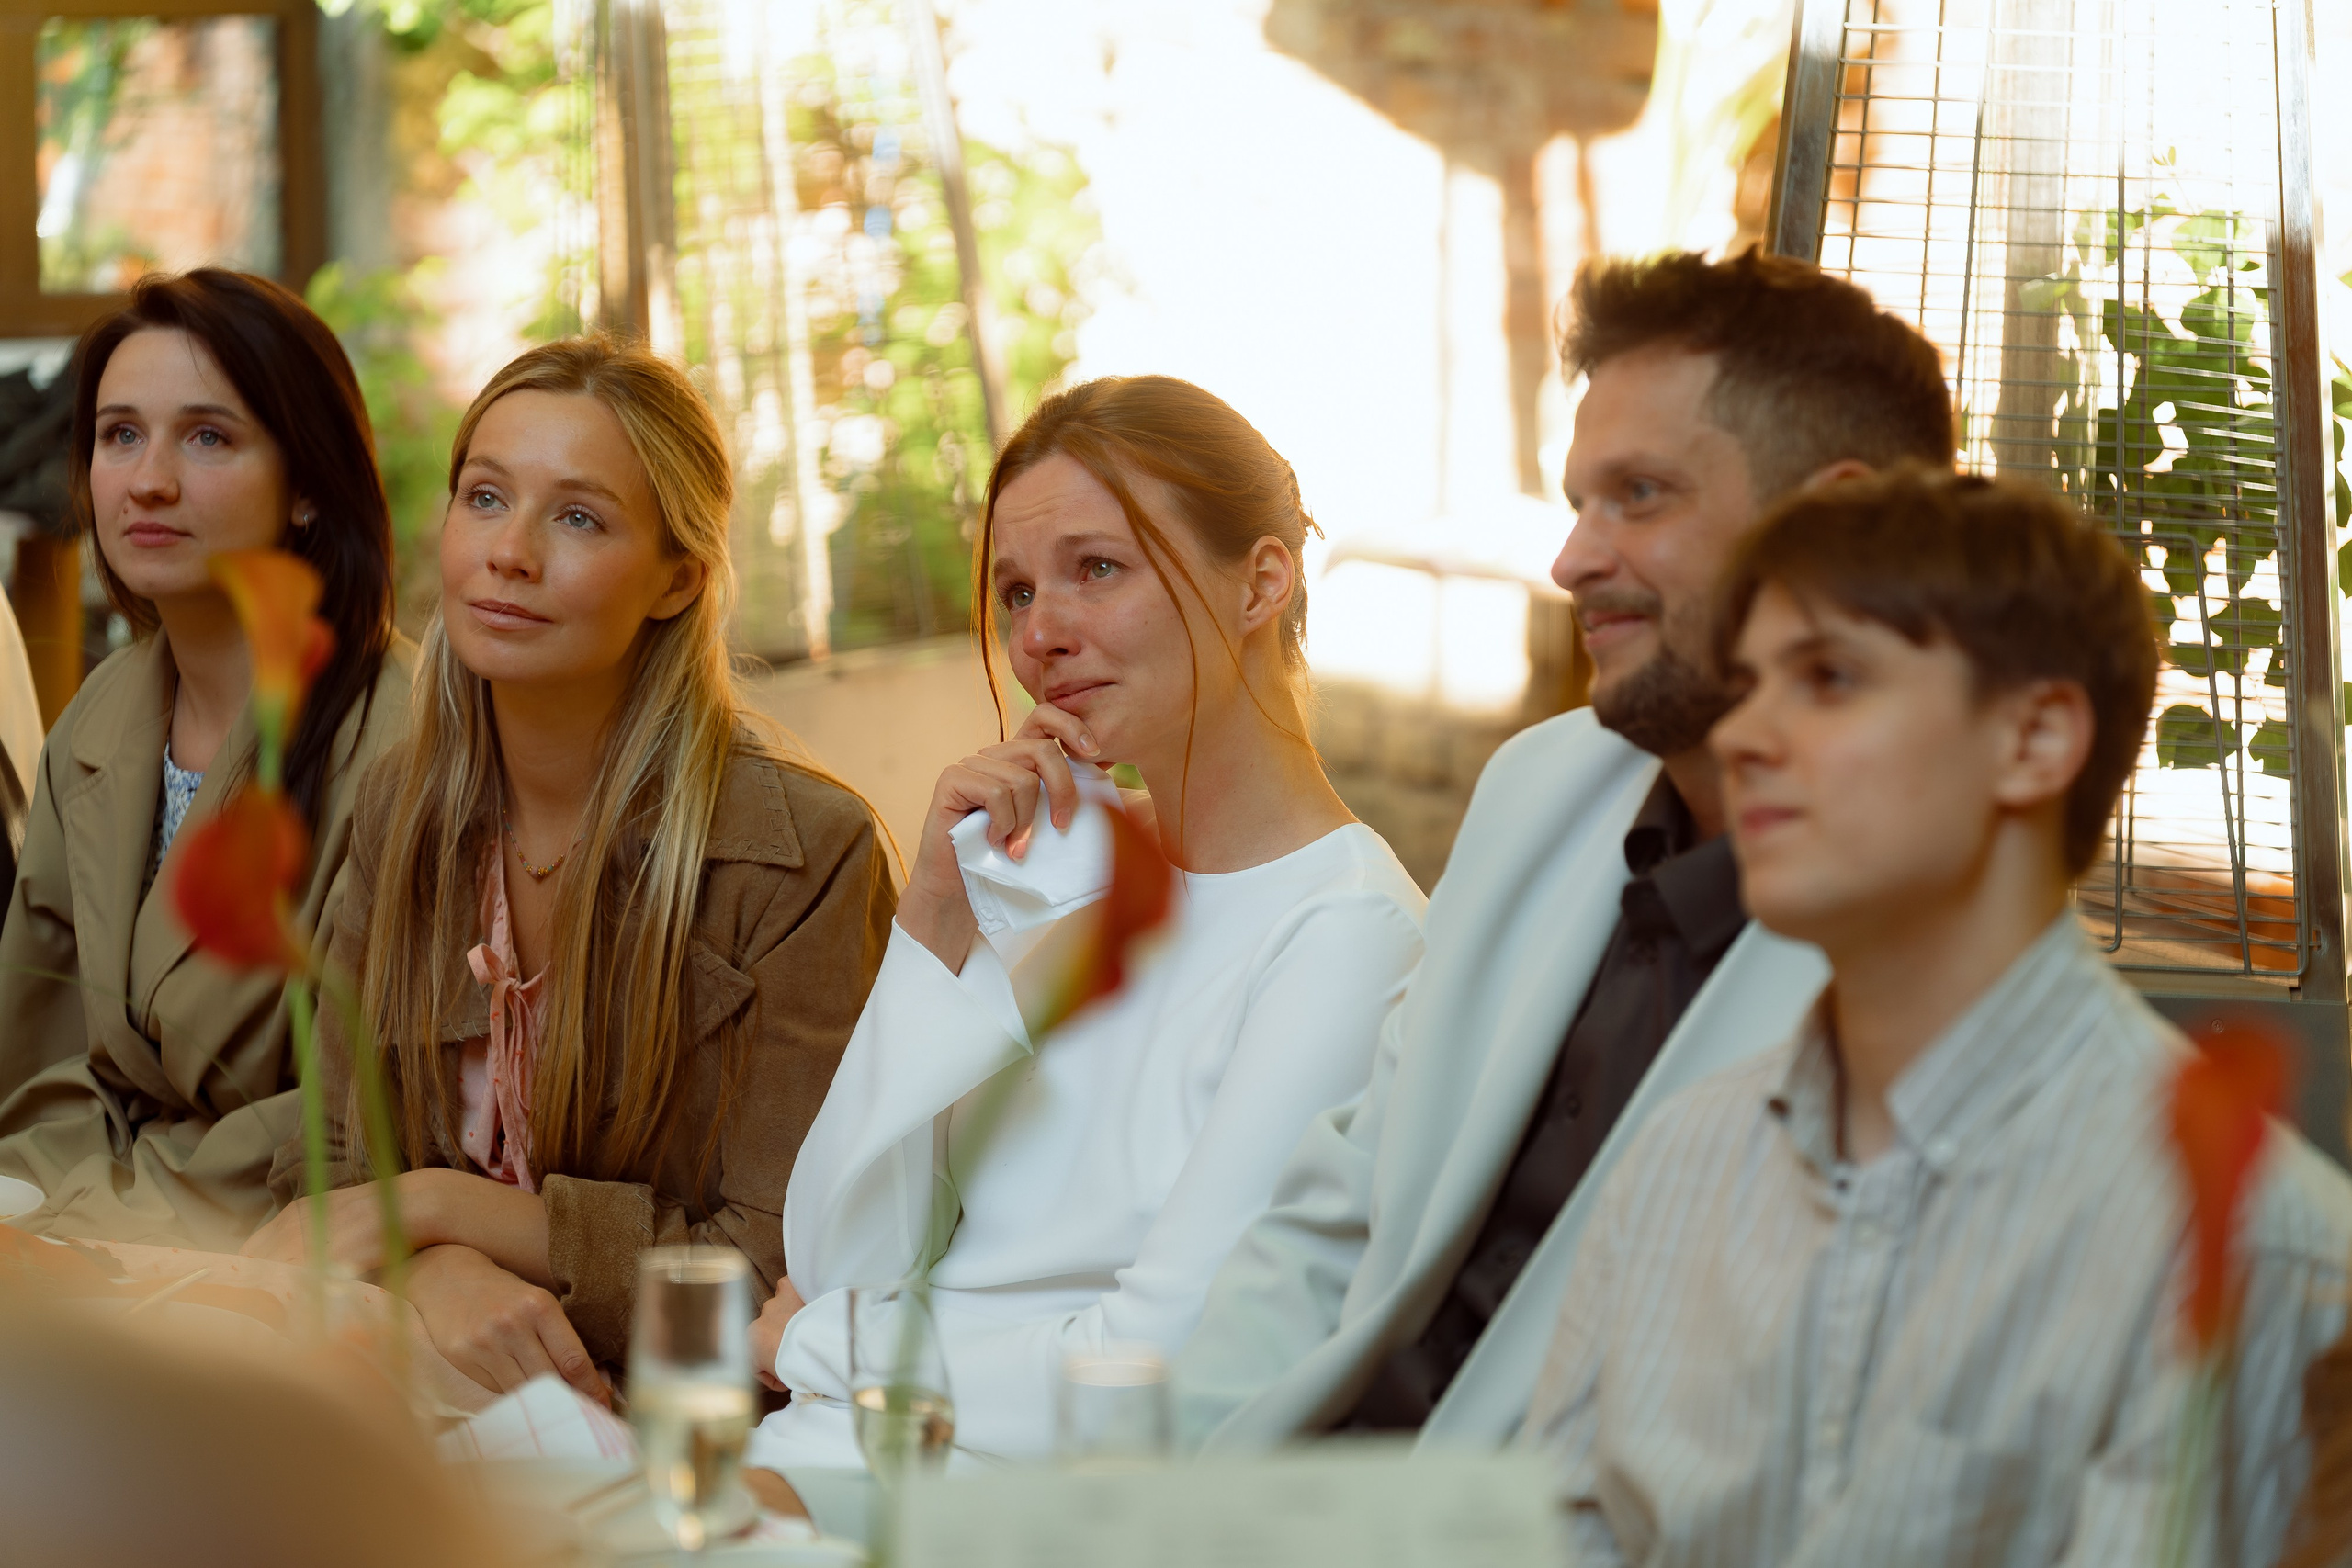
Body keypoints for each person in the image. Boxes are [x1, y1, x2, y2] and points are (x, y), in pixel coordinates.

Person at [1173, 249, 1953, 1450]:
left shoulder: (1937, 974)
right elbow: (1339, 1201)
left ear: (1834, 526)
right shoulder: (1539, 788)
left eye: (1640, 495)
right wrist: (1165, 1475)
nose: (1572, 560)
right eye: (1580, 499)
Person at [1523, 467, 2352, 1565]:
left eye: (1826, 679)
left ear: (2033, 740)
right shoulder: (1673, 1164)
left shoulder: (2240, 1246)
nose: (1740, 735)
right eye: (1746, 682)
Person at [741, 375, 1426, 1474]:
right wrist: (933, 914)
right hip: (821, 1457)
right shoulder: (1068, 875)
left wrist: (827, 1347)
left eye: (1095, 570)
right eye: (1014, 593)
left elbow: (1152, 1377)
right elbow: (839, 1251)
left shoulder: (1344, 935)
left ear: (1260, 582)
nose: (1039, 635)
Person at [241, 337, 896, 1404]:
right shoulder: (402, 809)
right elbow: (329, 1160)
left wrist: (442, 1212)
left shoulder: (803, 856)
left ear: (677, 581)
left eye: (579, 517)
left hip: (679, 1423)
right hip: (408, 1375)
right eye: (485, 498)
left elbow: (776, 1276)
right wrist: (439, 1274)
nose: (509, 552)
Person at [0, 269, 411, 1250]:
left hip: (290, 1257)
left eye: (208, 436)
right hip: (78, 1230)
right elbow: (38, 1057)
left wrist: (106, 1215)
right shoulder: (100, 718)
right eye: (119, 434)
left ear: (307, 486)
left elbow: (367, 1112)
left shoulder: (408, 747)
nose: (148, 480)